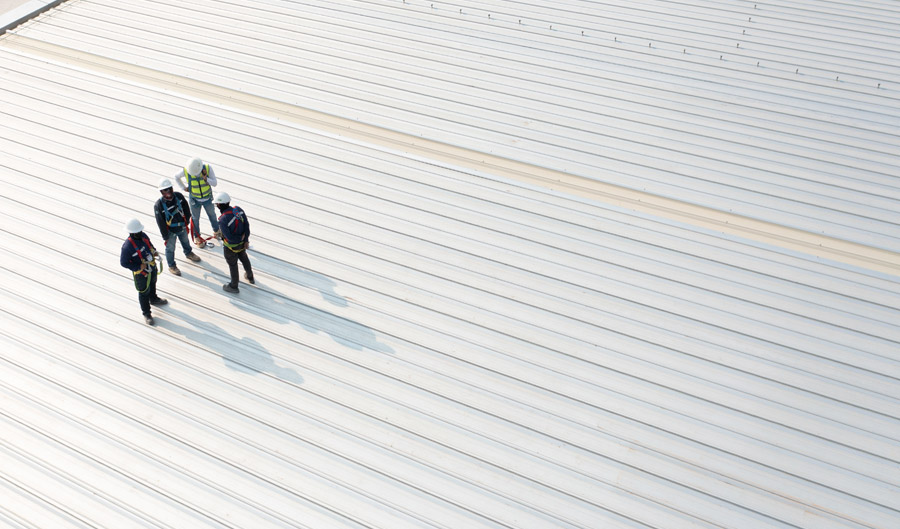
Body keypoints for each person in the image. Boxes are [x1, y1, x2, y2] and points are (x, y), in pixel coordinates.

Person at [120, 218, 167, 325]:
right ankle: (146, 313)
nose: (139, 233)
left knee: (153, 282)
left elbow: (150, 245)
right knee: (144, 292)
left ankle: (153, 298)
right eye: (137, 232)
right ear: (131, 233)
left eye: (140, 231)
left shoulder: (144, 236)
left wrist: (154, 252)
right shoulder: (127, 247)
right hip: (141, 273)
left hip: (151, 266)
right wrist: (138, 266)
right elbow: (124, 263)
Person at [154, 178, 201, 276]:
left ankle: (189, 253)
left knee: (185, 241)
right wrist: (165, 236)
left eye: (169, 188)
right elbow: (160, 222)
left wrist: (187, 221)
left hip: (182, 226)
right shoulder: (159, 205)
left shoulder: (178, 196)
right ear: (161, 192)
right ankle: (172, 266)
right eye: (165, 190)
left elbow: (186, 208)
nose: (168, 191)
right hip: (170, 231)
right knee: (170, 249)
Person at [213, 191, 254, 293]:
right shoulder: (238, 210)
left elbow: (229, 237)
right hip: (242, 245)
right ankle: (250, 276)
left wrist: (239, 239)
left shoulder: (223, 219)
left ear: (219, 205)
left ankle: (233, 286)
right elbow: (246, 225)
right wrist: (245, 239)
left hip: (230, 247)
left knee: (233, 265)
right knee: (244, 258)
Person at [174, 157, 220, 247]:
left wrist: (206, 179)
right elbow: (176, 176)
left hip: (207, 198)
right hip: (194, 200)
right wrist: (183, 187)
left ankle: (217, 231)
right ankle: (197, 237)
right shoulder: (186, 170)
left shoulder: (207, 168)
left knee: (212, 215)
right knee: (195, 219)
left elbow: (214, 183)